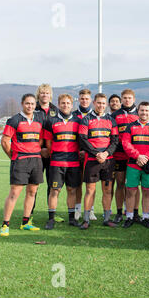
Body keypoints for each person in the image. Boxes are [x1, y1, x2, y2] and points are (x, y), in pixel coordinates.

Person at [0, 94, 45, 236]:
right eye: (27, 103)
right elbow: (5, 141)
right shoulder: (14, 120)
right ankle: (5, 224)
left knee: (32, 192)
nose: (30, 106)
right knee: (14, 193)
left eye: (32, 104)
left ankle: (25, 222)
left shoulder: (39, 119)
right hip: (20, 160)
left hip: (36, 160)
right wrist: (13, 157)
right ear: (22, 104)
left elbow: (41, 139)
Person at [78, 93, 119, 229]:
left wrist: (106, 153)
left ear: (106, 104)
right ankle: (86, 220)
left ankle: (107, 218)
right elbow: (82, 139)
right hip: (92, 160)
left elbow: (115, 140)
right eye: (98, 103)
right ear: (94, 103)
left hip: (108, 161)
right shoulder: (86, 119)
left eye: (103, 103)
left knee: (107, 190)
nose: (101, 105)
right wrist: (97, 153)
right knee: (90, 190)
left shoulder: (111, 120)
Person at [43, 94, 82, 229]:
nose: (65, 105)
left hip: (73, 162)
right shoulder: (51, 121)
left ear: (72, 105)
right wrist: (55, 153)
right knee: (55, 190)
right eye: (63, 103)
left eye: (68, 103)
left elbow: (81, 140)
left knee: (71, 190)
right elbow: (48, 141)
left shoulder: (78, 121)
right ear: (58, 105)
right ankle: (51, 219)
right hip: (57, 162)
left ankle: (72, 219)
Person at [122, 101, 149, 229]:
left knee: (146, 191)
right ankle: (129, 217)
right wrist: (138, 156)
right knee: (130, 191)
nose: (144, 113)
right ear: (138, 111)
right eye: (142, 110)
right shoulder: (130, 126)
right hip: (133, 164)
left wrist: (146, 158)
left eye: (146, 110)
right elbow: (126, 143)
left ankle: (145, 217)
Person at [31, 84, 61, 223]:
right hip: (36, 152)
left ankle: (52, 214)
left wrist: (49, 149)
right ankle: (29, 213)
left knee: (52, 184)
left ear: (51, 95)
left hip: (52, 153)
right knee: (34, 184)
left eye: (47, 93)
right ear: (39, 95)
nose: (44, 95)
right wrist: (40, 148)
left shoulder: (56, 110)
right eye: (42, 93)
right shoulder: (32, 108)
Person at [111, 89, 140, 224]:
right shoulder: (115, 115)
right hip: (120, 154)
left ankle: (135, 212)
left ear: (134, 99)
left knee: (135, 185)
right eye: (125, 98)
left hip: (136, 155)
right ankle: (118, 212)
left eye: (129, 98)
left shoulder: (140, 113)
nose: (127, 100)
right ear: (121, 99)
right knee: (120, 183)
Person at [72, 89, 97, 221]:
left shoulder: (95, 115)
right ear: (79, 99)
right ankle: (77, 209)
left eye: (87, 99)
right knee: (77, 184)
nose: (84, 101)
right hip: (76, 155)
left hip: (91, 155)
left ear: (91, 100)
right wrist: (79, 150)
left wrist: (88, 151)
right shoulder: (74, 116)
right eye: (82, 99)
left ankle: (91, 210)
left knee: (91, 184)